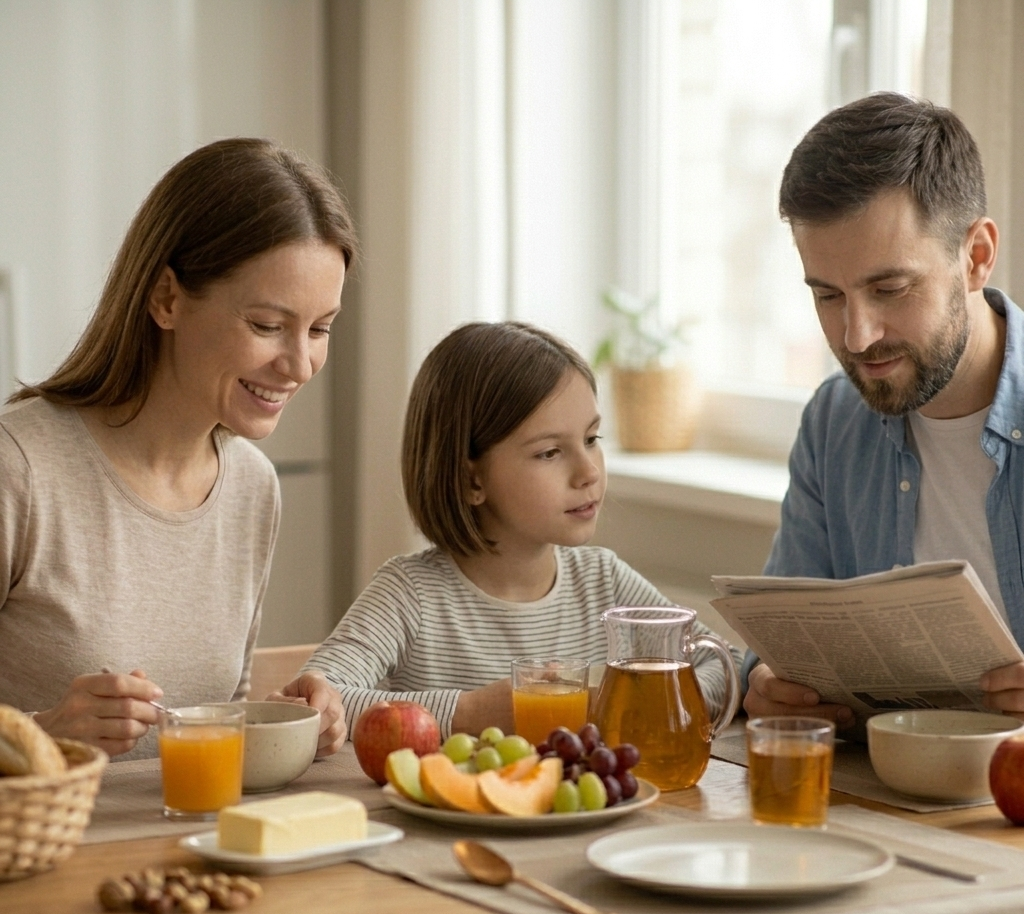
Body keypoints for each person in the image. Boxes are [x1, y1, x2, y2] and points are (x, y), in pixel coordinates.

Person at [0, 138, 353, 759]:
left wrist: (288, 723)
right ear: (166, 299)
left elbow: (210, 723)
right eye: (267, 325)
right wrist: (43, 733)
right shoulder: (20, 468)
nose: (300, 364)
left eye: (320, 328)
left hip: (183, 850)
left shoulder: (251, 485)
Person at [272, 321, 740, 738]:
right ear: (472, 479)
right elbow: (317, 703)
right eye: (549, 453)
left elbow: (723, 665)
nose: (589, 471)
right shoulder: (408, 595)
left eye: (592, 439)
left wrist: (628, 706)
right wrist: (469, 712)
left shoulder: (603, 580)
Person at [743, 92, 1024, 723]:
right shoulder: (834, 421)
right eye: (828, 295)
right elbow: (780, 641)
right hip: (873, 793)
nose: (856, 336)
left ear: (975, 256)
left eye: (889, 288)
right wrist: (765, 680)